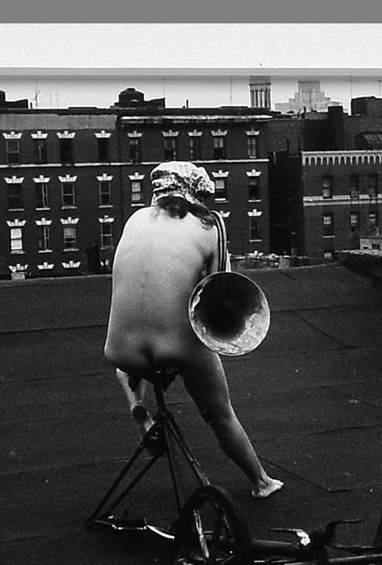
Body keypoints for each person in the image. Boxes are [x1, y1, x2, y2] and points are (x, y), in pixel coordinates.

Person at [104, 161, 284, 499]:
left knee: (128, 368)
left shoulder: (134, 219)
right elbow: (221, 288)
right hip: (176, 348)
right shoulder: (210, 225)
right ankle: (262, 482)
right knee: (220, 413)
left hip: (120, 349)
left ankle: (139, 411)